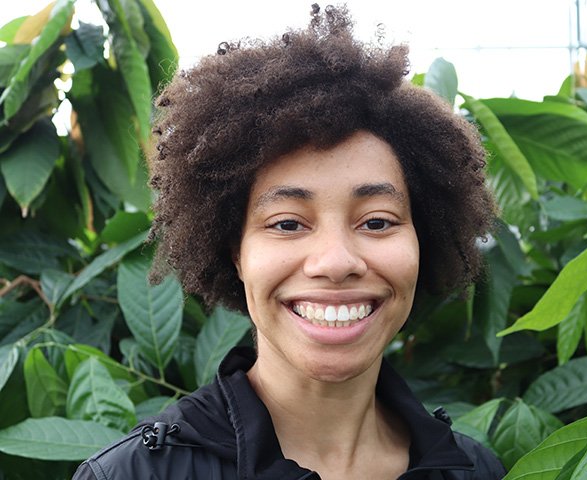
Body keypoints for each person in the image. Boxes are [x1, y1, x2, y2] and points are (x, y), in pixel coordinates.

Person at [73, 4, 504, 479]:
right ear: (235, 252)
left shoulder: (474, 471)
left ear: (423, 240)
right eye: (287, 223)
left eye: (377, 222)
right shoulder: (134, 476)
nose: (336, 262)